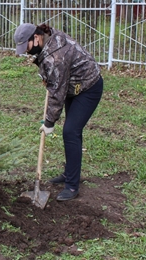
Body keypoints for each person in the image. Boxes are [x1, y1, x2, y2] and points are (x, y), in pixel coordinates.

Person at [14, 23, 103, 201]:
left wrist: (49, 122)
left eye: (27, 46)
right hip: (72, 86)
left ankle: (71, 186)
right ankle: (69, 173)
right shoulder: (48, 39)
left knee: (71, 131)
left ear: (36, 38)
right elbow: (55, 78)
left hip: (88, 88)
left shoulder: (57, 56)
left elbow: (57, 93)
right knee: (71, 133)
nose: (25, 51)